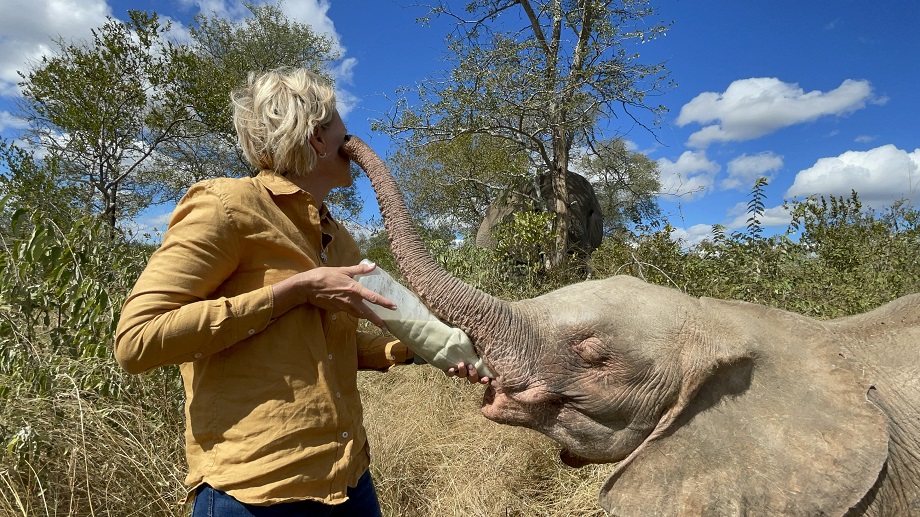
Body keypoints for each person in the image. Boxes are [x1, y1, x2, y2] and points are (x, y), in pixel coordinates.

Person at [114, 67, 488, 516]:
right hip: (256, 493)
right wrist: (293, 291)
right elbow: (136, 342)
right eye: (344, 134)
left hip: (349, 480)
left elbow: (334, 343)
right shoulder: (226, 207)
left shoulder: (338, 236)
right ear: (316, 138)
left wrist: (424, 349)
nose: (355, 147)